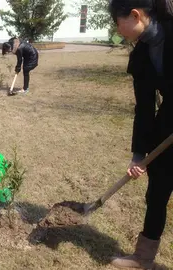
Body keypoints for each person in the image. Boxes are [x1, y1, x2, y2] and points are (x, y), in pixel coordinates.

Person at [108, 0, 173, 268]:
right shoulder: (141, 54)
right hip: (168, 119)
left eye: (117, 23)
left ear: (135, 16)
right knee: (157, 189)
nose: (117, 30)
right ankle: (143, 257)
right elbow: (144, 108)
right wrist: (138, 155)